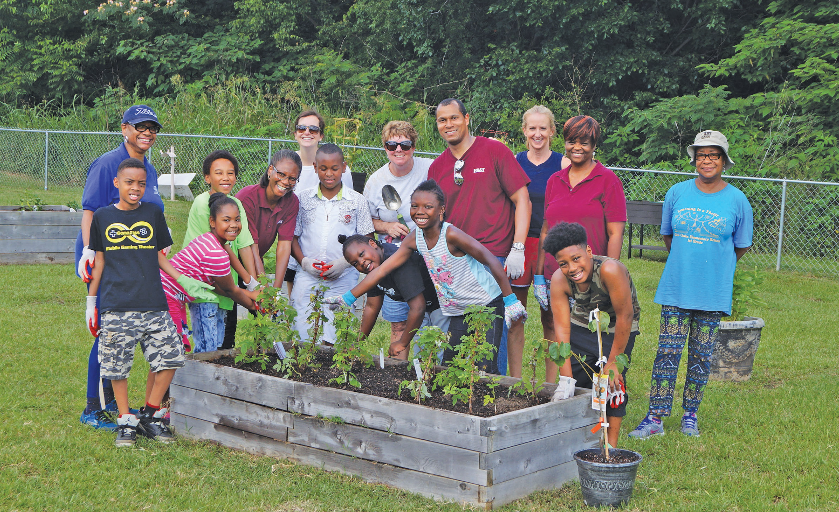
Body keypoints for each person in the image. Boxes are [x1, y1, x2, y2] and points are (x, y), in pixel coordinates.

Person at [325, 180, 528, 374]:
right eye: (414, 206)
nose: (420, 211)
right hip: (457, 308)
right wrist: (348, 298)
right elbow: (381, 271)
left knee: (485, 366)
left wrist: (510, 301)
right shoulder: (415, 238)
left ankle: (489, 408)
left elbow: (490, 260)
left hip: (486, 304)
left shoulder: (451, 235)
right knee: (450, 365)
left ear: (441, 211)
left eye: (428, 206)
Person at [629, 130, 753, 439]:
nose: (706, 160)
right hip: (677, 287)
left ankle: (690, 415)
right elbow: (668, 236)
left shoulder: (738, 201)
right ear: (693, 159)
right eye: (701, 155)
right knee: (667, 352)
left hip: (713, 291)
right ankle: (655, 417)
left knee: (702, 355)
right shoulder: (677, 192)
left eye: (713, 155)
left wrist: (717, 266)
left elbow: (741, 246)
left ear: (724, 160)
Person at [75, 104, 166, 430]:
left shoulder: (149, 169)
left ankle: (111, 400)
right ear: (124, 128)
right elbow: (89, 211)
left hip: (135, 259)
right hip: (103, 257)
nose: (147, 132)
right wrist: (88, 250)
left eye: (152, 127)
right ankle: (92, 409)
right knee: (109, 330)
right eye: (140, 126)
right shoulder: (107, 164)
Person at [85, 159, 188, 447]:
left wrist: (183, 280)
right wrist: (91, 301)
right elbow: (100, 261)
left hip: (153, 302)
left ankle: (150, 416)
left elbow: (159, 256)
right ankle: (126, 421)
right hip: (116, 304)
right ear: (117, 183)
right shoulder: (102, 217)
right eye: (129, 182)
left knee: (171, 357)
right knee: (117, 367)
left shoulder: (153, 212)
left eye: (141, 184)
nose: (135, 188)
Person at [428, 98, 532, 376]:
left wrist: (518, 247)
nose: (448, 124)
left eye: (453, 118)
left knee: (492, 337)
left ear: (466, 118)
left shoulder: (494, 151)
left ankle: (495, 395)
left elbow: (522, 199)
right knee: (462, 334)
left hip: (493, 257)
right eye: (442, 120)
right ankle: (466, 392)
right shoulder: (437, 167)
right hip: (456, 263)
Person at [535, 115, 627, 382]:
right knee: (557, 332)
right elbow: (545, 230)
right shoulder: (555, 180)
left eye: (584, 142)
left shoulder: (607, 180)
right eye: (572, 141)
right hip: (559, 276)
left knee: (590, 335)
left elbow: (615, 232)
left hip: (590, 277)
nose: (577, 147)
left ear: (594, 144)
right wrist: (540, 276)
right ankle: (556, 386)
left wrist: (608, 274)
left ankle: (594, 395)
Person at [544, 222, 641, 449]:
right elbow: (562, 329)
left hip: (617, 326)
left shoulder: (609, 270)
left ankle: (610, 447)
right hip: (582, 323)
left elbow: (625, 316)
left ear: (588, 252)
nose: (572, 268)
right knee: (579, 379)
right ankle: (582, 437)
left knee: (609, 383)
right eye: (563, 264)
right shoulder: (559, 279)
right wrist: (566, 378)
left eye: (576, 258)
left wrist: (614, 362)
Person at [362, 121, 435, 361]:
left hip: (429, 258)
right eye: (391, 144)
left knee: (428, 324)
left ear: (414, 146)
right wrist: (386, 225)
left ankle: (424, 375)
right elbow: (366, 220)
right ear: (384, 147)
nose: (398, 149)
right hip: (394, 262)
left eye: (405, 144)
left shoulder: (430, 169)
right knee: (399, 325)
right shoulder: (375, 181)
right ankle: (398, 381)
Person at [290, 143, 374, 344]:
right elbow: (292, 238)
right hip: (307, 277)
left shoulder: (357, 201)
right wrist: (304, 262)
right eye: (323, 168)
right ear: (315, 167)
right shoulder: (302, 199)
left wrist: (344, 263)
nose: (329, 174)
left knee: (335, 336)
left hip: (343, 278)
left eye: (335, 168)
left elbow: (367, 241)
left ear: (344, 167)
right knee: (303, 332)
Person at [510, 105, 571, 378]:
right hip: (520, 244)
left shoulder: (563, 163)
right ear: (524, 131)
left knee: (551, 316)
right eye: (532, 128)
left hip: (551, 247)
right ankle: (514, 379)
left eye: (543, 128)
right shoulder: (514, 161)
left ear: (552, 131)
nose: (537, 134)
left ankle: (550, 382)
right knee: (515, 313)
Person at [161, 193, 261, 351]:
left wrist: (251, 295)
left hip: (171, 294)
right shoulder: (216, 253)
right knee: (171, 354)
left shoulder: (208, 239)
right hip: (167, 296)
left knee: (174, 353)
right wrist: (254, 306)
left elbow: (217, 286)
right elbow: (230, 290)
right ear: (212, 222)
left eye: (237, 219)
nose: (234, 225)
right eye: (226, 220)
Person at [183, 150, 257, 352]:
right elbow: (218, 247)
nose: (225, 177)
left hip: (224, 284)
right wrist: (247, 284)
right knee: (206, 349)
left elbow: (244, 244)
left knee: (217, 344)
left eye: (230, 173)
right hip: (206, 286)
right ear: (207, 177)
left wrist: (254, 283)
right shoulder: (201, 203)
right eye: (218, 172)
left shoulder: (236, 204)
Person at [338, 234, 448, 360]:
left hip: (442, 301)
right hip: (423, 306)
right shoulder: (373, 268)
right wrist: (357, 342)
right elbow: (372, 307)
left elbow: (418, 307)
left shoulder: (397, 260)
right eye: (355, 263)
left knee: (442, 351)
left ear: (372, 244)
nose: (361, 262)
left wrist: (402, 343)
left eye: (362, 254)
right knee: (421, 354)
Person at [286, 110, 354, 294]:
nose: (307, 132)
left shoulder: (335, 167)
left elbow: (348, 204)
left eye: (313, 129)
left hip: (326, 244)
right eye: (301, 128)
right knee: (298, 300)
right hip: (293, 242)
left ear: (321, 135)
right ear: (295, 133)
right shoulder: (288, 164)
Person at [236, 150, 302, 290]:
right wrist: (264, 288)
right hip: (232, 261)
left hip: (255, 260)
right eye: (281, 174)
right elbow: (251, 247)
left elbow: (284, 246)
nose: (285, 182)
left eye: (292, 178)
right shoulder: (247, 198)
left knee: (266, 308)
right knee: (231, 308)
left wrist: (276, 291)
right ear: (270, 170)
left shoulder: (292, 202)